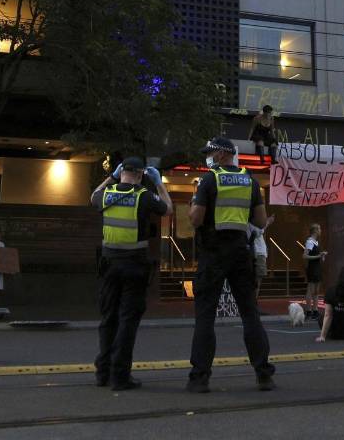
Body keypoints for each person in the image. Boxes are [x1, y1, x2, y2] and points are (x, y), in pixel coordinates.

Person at [187, 136, 275, 393]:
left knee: (205, 316)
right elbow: (259, 221)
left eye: (212, 153)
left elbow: (195, 220)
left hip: (213, 253)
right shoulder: (250, 180)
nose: (210, 158)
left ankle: (200, 378)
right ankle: (263, 374)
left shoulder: (209, 180)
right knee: (250, 313)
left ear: (225, 154)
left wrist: (194, 201)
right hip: (239, 252)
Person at [90, 156, 171, 391]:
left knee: (108, 319)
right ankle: (120, 375)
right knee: (127, 321)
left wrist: (111, 177)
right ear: (141, 175)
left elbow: (92, 196)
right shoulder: (144, 196)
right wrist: (159, 184)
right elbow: (168, 209)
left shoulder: (106, 194)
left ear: (122, 171)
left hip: (108, 266)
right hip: (134, 266)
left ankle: (102, 373)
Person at [303, 223, 326, 319]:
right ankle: (308, 311)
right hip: (312, 267)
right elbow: (304, 255)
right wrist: (318, 256)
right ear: (315, 231)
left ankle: (315, 310)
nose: (320, 231)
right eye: (319, 229)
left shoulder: (316, 242)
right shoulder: (310, 241)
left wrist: (322, 255)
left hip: (317, 267)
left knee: (316, 290)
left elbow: (316, 254)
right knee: (310, 289)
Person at [249, 214, 274, 302]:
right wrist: (267, 222)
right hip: (257, 253)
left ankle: (254, 302)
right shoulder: (250, 223)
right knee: (256, 281)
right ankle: (253, 302)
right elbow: (257, 232)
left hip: (260, 253)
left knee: (258, 280)